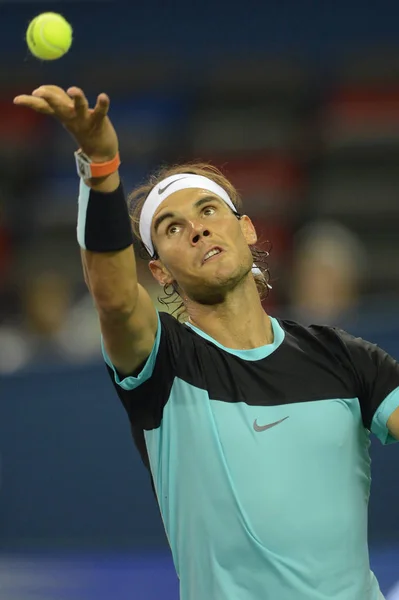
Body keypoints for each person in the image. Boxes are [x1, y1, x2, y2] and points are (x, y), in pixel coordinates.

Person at [14, 85, 399, 600]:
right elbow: (113, 296)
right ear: (160, 272)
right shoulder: (162, 364)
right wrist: (101, 164)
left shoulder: (346, 358)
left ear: (247, 228)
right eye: (172, 227)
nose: (196, 229)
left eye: (209, 211)